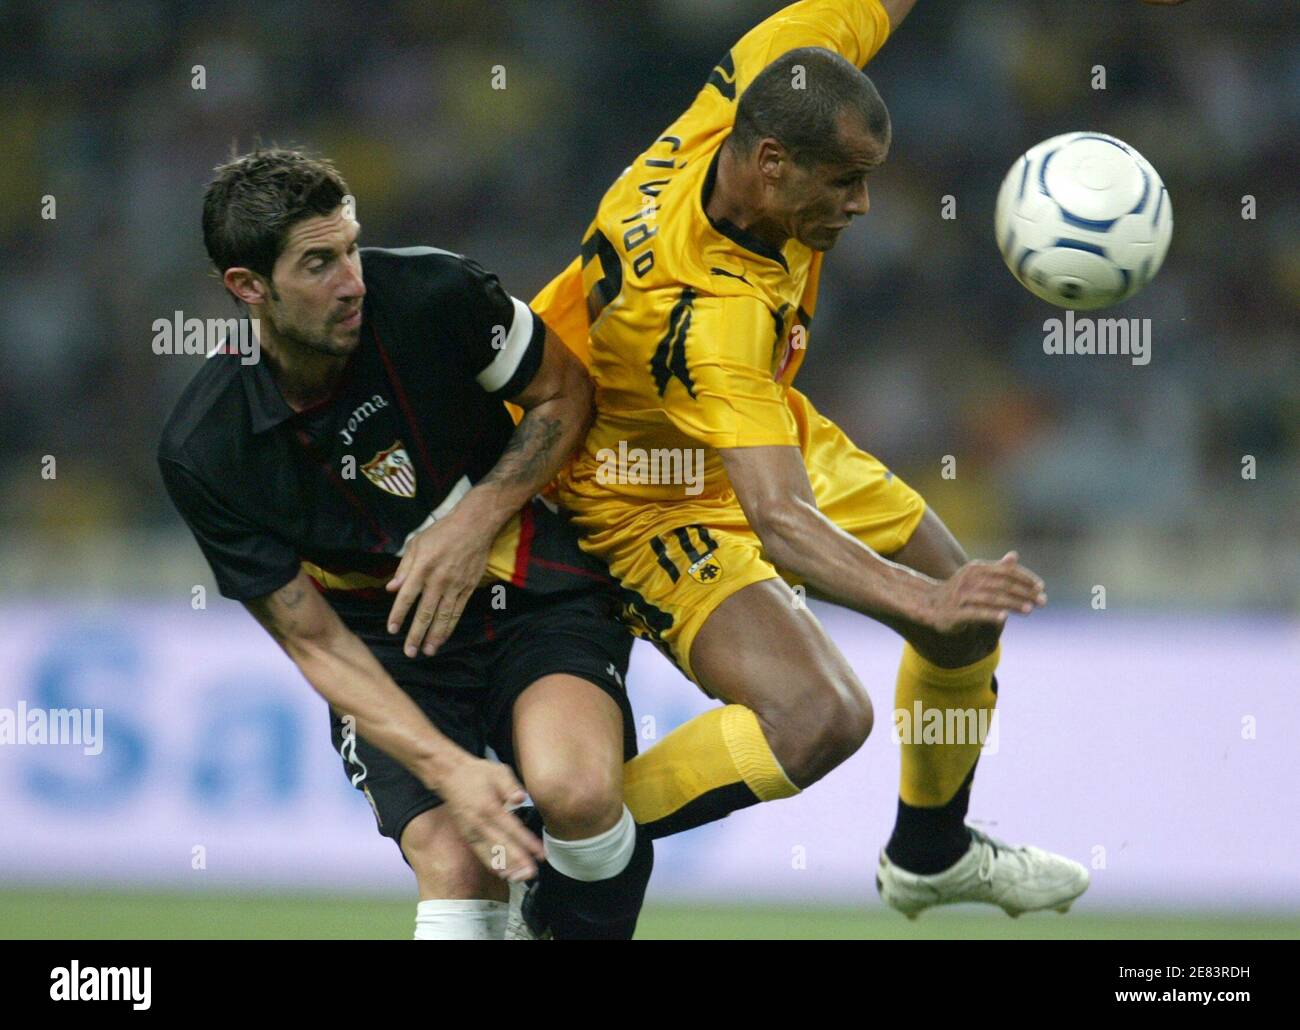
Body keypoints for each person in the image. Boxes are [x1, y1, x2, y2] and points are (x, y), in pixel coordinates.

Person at [527, 0, 1187, 918]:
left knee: (963, 627)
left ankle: (932, 852)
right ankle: (536, 841)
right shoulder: (706, 314)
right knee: (820, 718)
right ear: (770, 166)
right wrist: (920, 599)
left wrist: (940, 605)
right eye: (844, 182)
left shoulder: (767, 81)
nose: (862, 205)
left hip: (762, 427)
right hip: (647, 487)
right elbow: (781, 524)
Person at [158, 147, 651, 939]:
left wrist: (473, 518)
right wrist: (445, 766)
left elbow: (566, 392)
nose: (352, 279)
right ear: (248, 288)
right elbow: (312, 642)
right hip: (379, 640)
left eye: (351, 246)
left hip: (529, 590)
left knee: (578, 795)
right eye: (318, 263)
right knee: (458, 862)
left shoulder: (435, 292)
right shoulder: (206, 446)